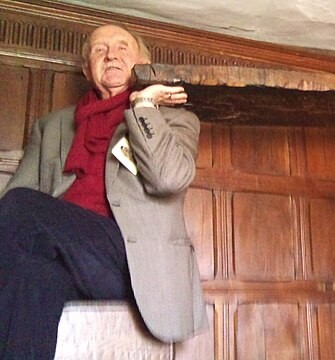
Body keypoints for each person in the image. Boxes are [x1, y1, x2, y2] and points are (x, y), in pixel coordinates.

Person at [0, 24, 207, 359]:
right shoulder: (52, 126)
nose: (111, 54)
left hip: (131, 259)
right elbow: (14, 204)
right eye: (99, 49)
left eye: (122, 47)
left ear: (143, 61)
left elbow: (168, 179)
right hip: (63, 253)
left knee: (22, 208)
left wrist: (143, 107)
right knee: (30, 277)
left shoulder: (175, 119)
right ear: (87, 69)